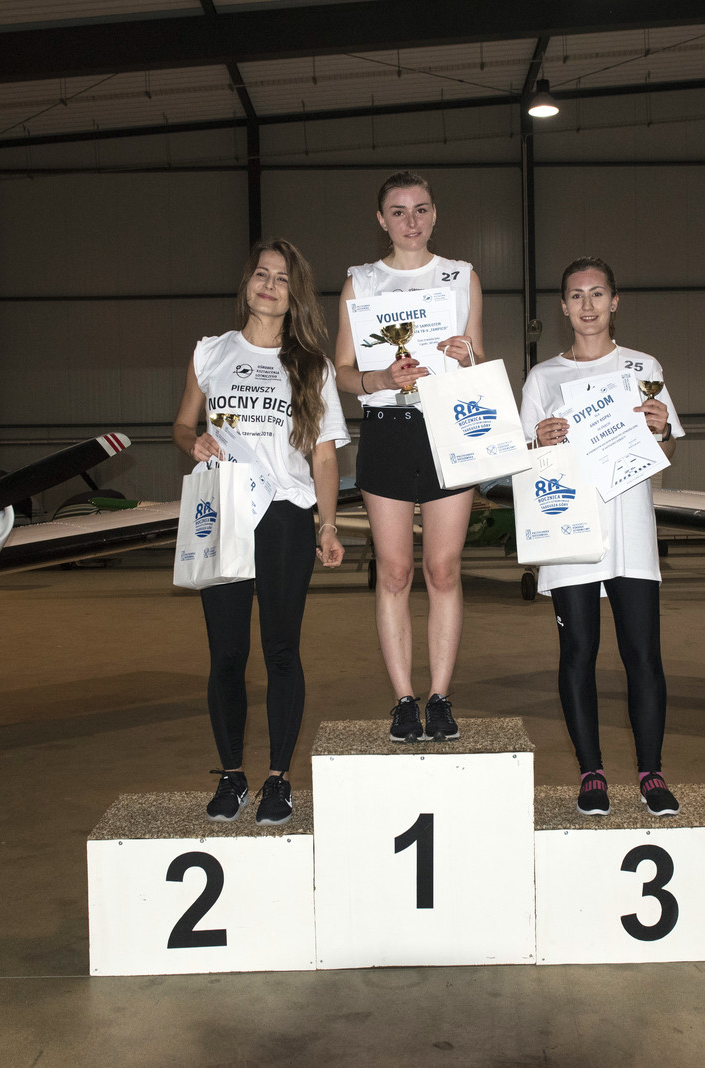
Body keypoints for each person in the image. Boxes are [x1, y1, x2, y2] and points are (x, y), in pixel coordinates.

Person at [173, 238, 347, 824]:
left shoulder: (312, 366)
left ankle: (278, 778)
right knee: (226, 651)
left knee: (280, 649)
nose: (270, 286)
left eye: (282, 279)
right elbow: (181, 425)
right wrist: (193, 442)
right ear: (247, 282)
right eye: (262, 275)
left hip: (284, 515)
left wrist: (327, 524)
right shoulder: (210, 352)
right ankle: (231, 776)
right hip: (224, 511)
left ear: (294, 294)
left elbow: (324, 456)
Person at [520, 256, 684, 817]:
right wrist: (538, 441)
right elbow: (523, 460)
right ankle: (591, 773)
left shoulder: (643, 367)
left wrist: (662, 429)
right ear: (563, 307)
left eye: (597, 294)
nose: (587, 305)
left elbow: (666, 450)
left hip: (630, 531)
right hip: (568, 533)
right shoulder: (542, 378)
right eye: (576, 295)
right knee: (578, 654)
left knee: (643, 656)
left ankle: (651, 773)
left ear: (615, 301)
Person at [332, 171, 482, 743]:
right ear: (381, 220)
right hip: (387, 431)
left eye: (421, 209)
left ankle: (440, 697)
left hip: (448, 431)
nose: (411, 221)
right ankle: (402, 700)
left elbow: (478, 359)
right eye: (398, 211)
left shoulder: (461, 277)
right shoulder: (360, 283)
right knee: (394, 572)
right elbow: (342, 371)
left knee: (443, 570)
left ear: (435, 214)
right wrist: (377, 379)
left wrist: (467, 356)